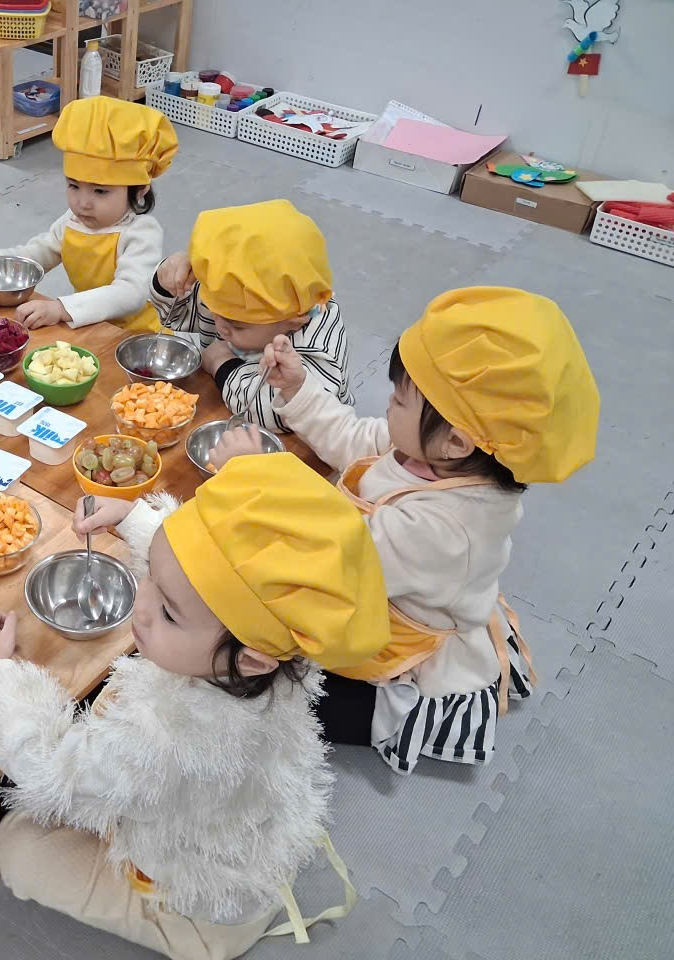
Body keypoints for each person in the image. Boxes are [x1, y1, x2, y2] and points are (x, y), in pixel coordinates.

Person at [0, 454, 391, 960]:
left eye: (167, 612)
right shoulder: (278, 645)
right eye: (151, 577)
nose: (141, 606)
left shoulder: (168, 735)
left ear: (250, 659)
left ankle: (191, 939)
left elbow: (52, 770)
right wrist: (131, 517)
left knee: (18, 847)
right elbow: (204, 567)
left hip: (201, 907)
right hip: (239, 833)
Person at [213, 286, 600, 774]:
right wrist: (299, 389)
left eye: (399, 399)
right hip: (370, 591)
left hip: (399, 651)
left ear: (456, 441)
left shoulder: (446, 529)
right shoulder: (426, 452)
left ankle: (392, 715)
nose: (387, 404)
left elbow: (335, 556)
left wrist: (254, 478)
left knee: (267, 694)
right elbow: (352, 438)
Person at [0, 97, 177, 333]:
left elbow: (130, 294)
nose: (83, 203)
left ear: (140, 191)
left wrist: (62, 308)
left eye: (100, 191)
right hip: (86, 326)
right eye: (74, 186)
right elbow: (32, 256)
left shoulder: (141, 231)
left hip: (134, 336)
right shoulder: (72, 221)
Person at [153, 200, 351, 432]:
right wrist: (168, 282)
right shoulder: (226, 291)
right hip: (225, 408)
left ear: (294, 322)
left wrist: (222, 364)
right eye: (214, 311)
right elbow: (177, 317)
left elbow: (277, 414)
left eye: (237, 326)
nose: (219, 327)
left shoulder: (320, 344)